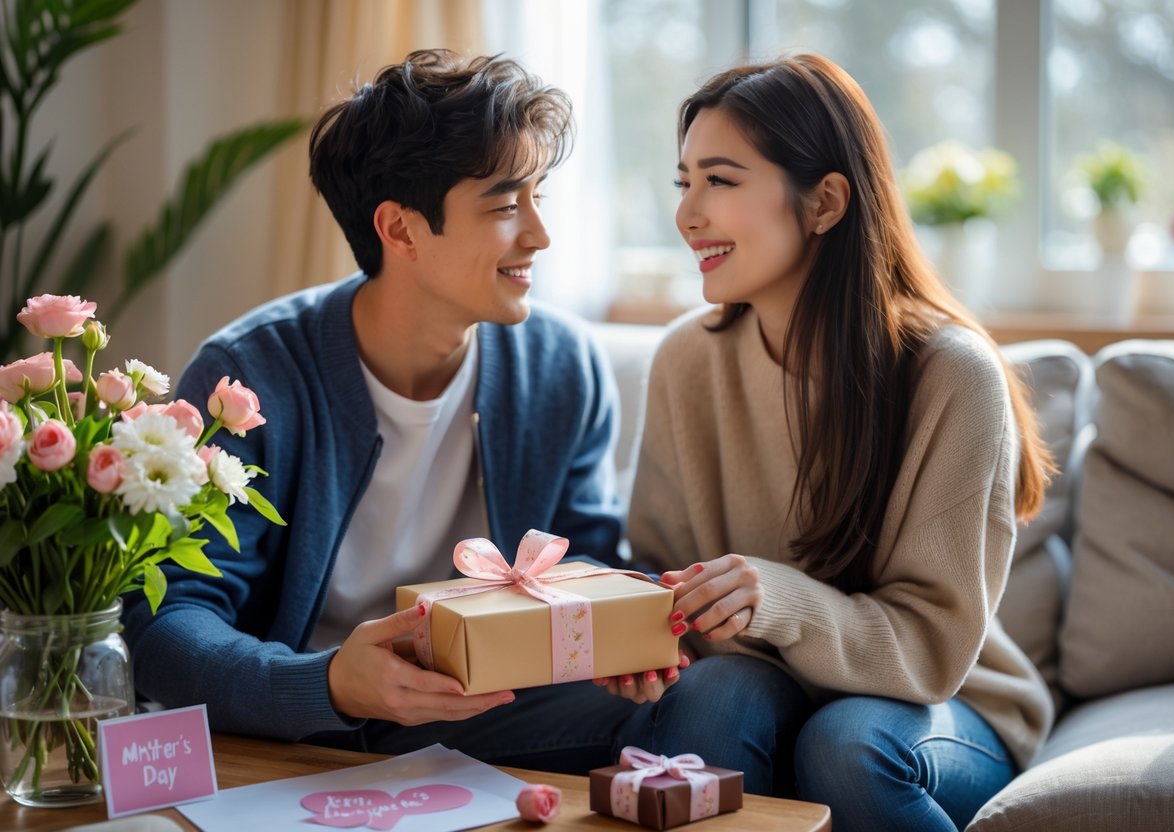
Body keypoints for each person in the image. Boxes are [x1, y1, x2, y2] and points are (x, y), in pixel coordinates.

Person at [123, 49, 663, 773]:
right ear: (401, 230)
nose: (538, 234)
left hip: (486, 714)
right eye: (505, 205)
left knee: (717, 691)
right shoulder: (250, 378)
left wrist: (618, 633)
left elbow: (584, 556)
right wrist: (326, 684)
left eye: (539, 197)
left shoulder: (561, 366)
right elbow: (165, 622)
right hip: (297, 728)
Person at [620, 54, 1058, 831]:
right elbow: (660, 580)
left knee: (846, 744)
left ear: (823, 201)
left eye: (719, 181)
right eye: (683, 181)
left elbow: (929, 652)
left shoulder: (950, 375)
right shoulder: (686, 360)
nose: (687, 214)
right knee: (713, 704)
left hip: (941, 709)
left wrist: (774, 600)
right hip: (760, 688)